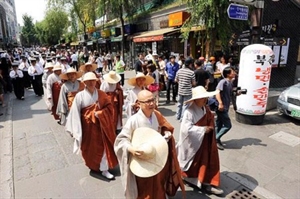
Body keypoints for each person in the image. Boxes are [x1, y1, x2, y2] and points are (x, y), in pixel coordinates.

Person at [114, 90, 185, 199]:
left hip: (156, 155)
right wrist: (130, 149)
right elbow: (121, 140)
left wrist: (166, 133)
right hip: (142, 158)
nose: (151, 104)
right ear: (139, 103)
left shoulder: (156, 114)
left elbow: (165, 126)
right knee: (144, 186)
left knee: (159, 182)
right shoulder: (133, 120)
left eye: (152, 100)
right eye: (147, 101)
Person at [65, 72, 118, 180]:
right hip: (87, 128)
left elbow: (109, 108)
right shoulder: (80, 96)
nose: (91, 83)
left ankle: (104, 169)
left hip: (101, 127)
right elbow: (75, 113)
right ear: (84, 83)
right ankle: (94, 166)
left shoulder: (101, 94)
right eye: (88, 81)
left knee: (102, 148)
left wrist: (100, 113)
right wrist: (76, 130)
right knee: (89, 149)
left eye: (93, 81)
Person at [177, 86, 223, 196]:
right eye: (202, 98)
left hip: (204, 142)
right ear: (195, 99)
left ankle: (205, 182)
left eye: (205, 98)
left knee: (206, 162)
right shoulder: (189, 111)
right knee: (194, 163)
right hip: (193, 144)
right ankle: (193, 180)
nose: (205, 100)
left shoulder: (205, 108)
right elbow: (185, 129)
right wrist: (202, 129)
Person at [215, 66, 237, 150]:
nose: (234, 73)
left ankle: (217, 140)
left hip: (225, 107)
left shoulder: (230, 83)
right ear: (228, 74)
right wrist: (220, 103)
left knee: (219, 124)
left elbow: (230, 94)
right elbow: (217, 92)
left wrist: (237, 93)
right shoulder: (223, 82)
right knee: (228, 125)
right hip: (221, 107)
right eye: (232, 72)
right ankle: (216, 139)